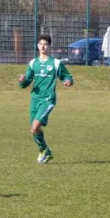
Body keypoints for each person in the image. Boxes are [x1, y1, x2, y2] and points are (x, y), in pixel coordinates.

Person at [18, 34, 73, 164]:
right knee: (34, 129)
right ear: (37, 46)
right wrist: (22, 80)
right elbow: (25, 83)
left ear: (49, 46)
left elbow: (67, 76)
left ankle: (44, 151)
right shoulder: (33, 63)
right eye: (40, 44)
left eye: (45, 44)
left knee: (36, 126)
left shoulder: (55, 63)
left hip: (48, 99)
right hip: (35, 99)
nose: (43, 46)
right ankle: (45, 151)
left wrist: (67, 81)